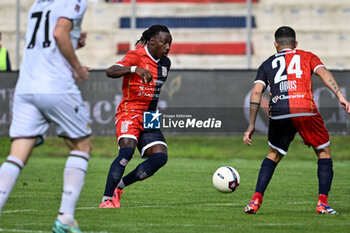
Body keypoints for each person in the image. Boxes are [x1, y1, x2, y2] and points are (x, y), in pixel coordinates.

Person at [0, 0, 92, 232]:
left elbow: (48, 41)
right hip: (55, 86)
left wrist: (72, 42)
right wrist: (77, 67)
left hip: (26, 86)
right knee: (81, 146)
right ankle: (66, 217)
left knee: (17, 154)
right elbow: (59, 33)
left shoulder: (38, 4)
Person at [243, 26, 350, 215]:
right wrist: (340, 95)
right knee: (324, 151)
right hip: (304, 109)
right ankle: (323, 203)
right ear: (296, 43)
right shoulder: (307, 56)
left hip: (278, 112)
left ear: (275, 44)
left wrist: (251, 124)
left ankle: (255, 200)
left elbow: (257, 92)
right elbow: (324, 74)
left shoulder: (267, 64)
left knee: (274, 154)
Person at [99, 24, 172, 208]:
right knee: (127, 152)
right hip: (130, 110)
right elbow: (110, 71)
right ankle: (107, 200)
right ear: (152, 41)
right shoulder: (136, 56)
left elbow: (154, 92)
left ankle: (119, 187)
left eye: (170, 43)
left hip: (150, 114)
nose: (168, 47)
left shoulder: (165, 63)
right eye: (164, 43)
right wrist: (134, 70)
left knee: (160, 158)